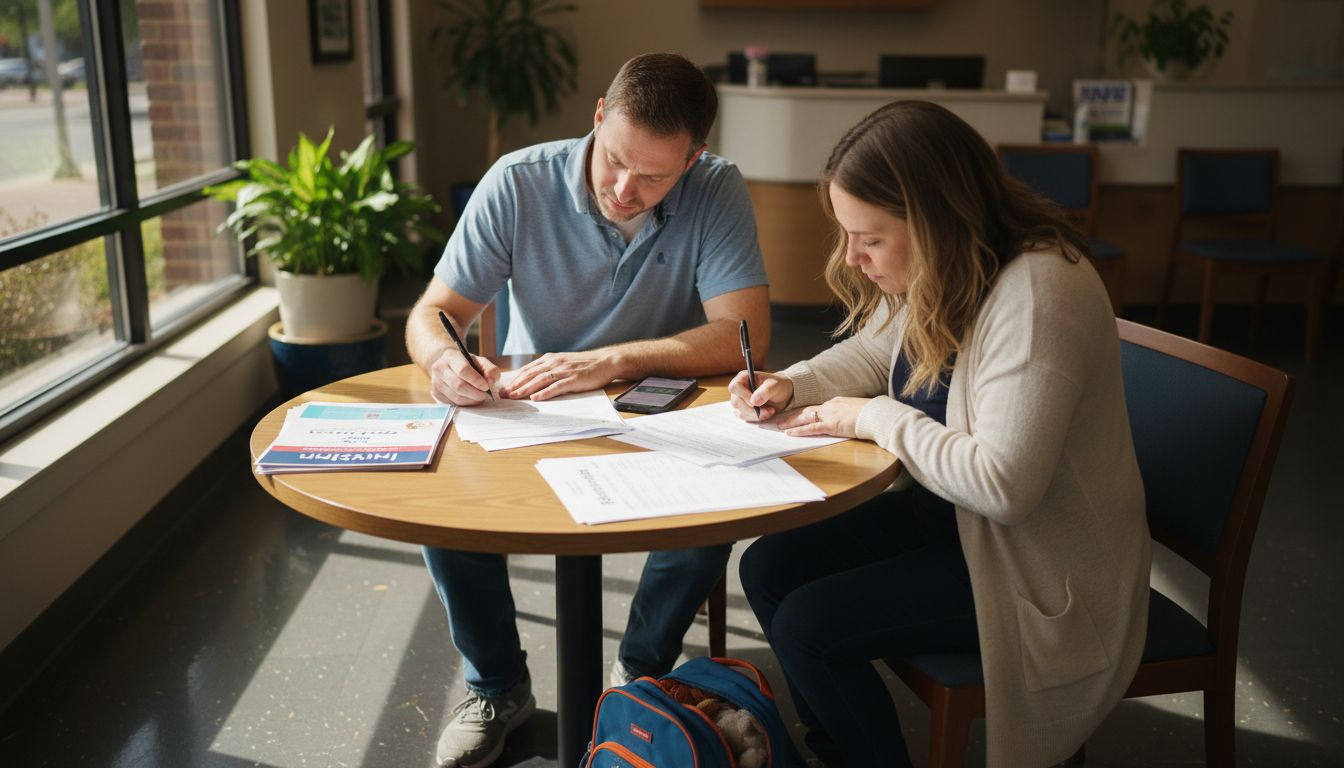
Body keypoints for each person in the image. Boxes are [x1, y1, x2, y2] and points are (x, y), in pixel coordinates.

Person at [728, 101, 1151, 767]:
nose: (853, 258)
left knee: (809, 626)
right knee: (768, 567)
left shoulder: (1037, 293)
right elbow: (876, 353)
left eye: (869, 239)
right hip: (962, 525)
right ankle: (845, 747)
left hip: (1035, 566)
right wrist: (795, 381)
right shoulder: (959, 261)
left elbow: (1004, 486)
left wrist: (873, 418)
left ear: (933, 220)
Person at [405, 53, 770, 768]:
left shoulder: (718, 188)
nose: (625, 190)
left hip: (659, 416)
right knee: (441, 510)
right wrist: (445, 361)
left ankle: (639, 674)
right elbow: (433, 313)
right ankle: (498, 686)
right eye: (614, 162)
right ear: (598, 116)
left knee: (715, 513)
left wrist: (615, 359)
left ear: (693, 159)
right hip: (530, 413)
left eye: (655, 176)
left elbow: (742, 337)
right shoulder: (517, 180)